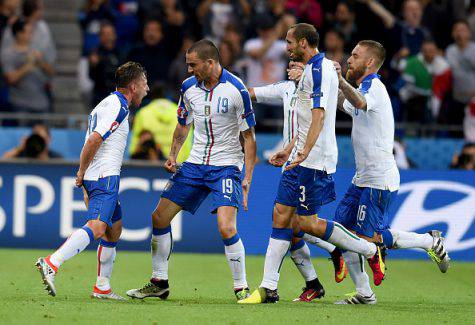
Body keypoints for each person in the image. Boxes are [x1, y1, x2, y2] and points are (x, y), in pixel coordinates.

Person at [239, 23, 385, 305]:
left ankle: (367, 249)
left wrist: (304, 152)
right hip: (299, 157)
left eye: (290, 42)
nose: (287, 48)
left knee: (307, 223)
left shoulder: (318, 71)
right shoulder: (316, 69)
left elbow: (318, 114)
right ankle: (269, 288)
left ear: (304, 43)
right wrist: (290, 148)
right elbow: (304, 119)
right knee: (281, 217)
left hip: (314, 160)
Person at [127, 39, 257, 301]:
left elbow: (250, 138)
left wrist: (247, 178)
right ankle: (159, 282)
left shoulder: (236, 89)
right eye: (188, 65)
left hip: (226, 166)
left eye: (193, 65)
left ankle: (241, 287)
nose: (189, 70)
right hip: (195, 164)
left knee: (226, 228)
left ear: (210, 62)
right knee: (159, 218)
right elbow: (183, 125)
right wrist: (173, 155)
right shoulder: (188, 88)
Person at [333, 40, 450, 304]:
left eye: (354, 55)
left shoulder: (374, 87)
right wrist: (324, 81)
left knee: (365, 238)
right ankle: (364, 293)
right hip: (362, 177)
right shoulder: (362, 88)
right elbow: (347, 104)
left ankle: (429, 242)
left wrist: (339, 80)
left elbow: (360, 102)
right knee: (343, 230)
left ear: (369, 62)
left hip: (379, 179)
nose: (349, 59)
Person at [35, 62, 149, 299]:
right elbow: (94, 140)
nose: (147, 89)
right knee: (98, 227)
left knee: (113, 231)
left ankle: (102, 287)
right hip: (103, 177)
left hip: (100, 177)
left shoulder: (108, 103)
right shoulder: (117, 107)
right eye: (145, 84)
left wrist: (86, 177)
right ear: (134, 85)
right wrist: (82, 173)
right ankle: (51, 262)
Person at [248, 61, 348, 302]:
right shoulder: (285, 88)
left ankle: (345, 251)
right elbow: (251, 92)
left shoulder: (317, 89)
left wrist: (336, 77)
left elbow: (338, 104)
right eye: (289, 64)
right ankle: (317, 276)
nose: (290, 67)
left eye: (297, 64)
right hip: (290, 164)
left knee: (297, 224)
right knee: (291, 228)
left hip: (310, 163)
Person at [129, 83, 193, 162]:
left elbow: (134, 145)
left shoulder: (143, 113)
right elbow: (190, 139)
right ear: (168, 95)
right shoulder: (181, 113)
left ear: (151, 96)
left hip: (151, 167)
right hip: (179, 164)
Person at [1, 18, 53, 113]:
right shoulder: (8, 53)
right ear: (19, 34)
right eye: (28, 32)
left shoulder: (37, 51)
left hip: (42, 103)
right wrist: (28, 65)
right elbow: (10, 79)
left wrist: (41, 62)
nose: (31, 35)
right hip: (20, 104)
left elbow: (51, 73)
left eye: (31, 32)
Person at [89, 22, 123, 106]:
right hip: (100, 96)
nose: (107, 36)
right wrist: (94, 66)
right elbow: (91, 76)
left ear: (115, 35)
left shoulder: (121, 53)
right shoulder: (95, 53)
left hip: (118, 96)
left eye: (109, 33)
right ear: (100, 37)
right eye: (104, 34)